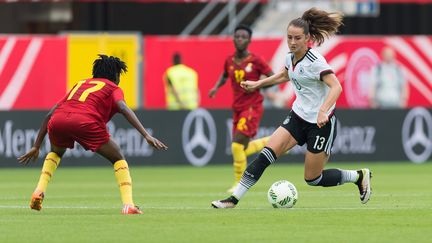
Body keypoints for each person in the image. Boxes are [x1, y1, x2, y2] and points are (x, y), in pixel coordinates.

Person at [211, 8, 372, 208]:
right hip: (297, 117)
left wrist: (323, 111)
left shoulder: (316, 62)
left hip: (320, 124)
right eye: (289, 37)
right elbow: (285, 75)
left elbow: (336, 86)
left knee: (313, 178)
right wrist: (257, 84)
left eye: (297, 38)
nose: (293, 42)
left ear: (307, 39)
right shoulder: (290, 57)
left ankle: (358, 176)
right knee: (265, 155)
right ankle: (233, 200)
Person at [18, 55, 168, 214]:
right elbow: (123, 107)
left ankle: (39, 190)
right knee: (118, 157)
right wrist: (146, 135)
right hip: (85, 121)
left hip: (58, 120)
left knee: (55, 152)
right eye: (119, 76)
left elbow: (49, 114)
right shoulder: (113, 87)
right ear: (115, 75)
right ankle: (128, 204)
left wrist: (36, 146)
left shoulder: (80, 84)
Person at [208, 24, 275, 192]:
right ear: (233, 39)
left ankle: (239, 184)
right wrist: (216, 87)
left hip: (252, 106)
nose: (240, 39)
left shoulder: (256, 60)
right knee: (242, 149)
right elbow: (224, 75)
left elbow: (273, 78)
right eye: (237, 36)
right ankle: (274, 142)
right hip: (237, 108)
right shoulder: (229, 60)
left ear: (250, 40)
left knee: (236, 146)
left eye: (243, 37)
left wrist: (258, 86)